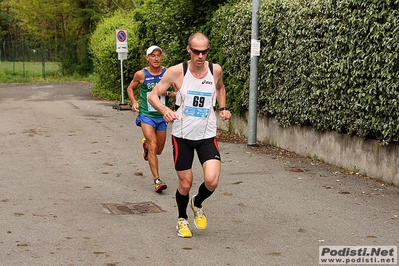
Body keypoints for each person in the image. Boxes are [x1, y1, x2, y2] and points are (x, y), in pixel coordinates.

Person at [148, 32, 231, 238]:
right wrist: (164, 110)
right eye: (196, 51)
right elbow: (152, 95)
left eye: (204, 52)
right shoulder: (177, 72)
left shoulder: (215, 70)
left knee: (212, 181)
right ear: (189, 50)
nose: (200, 56)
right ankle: (182, 218)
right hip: (182, 136)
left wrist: (223, 108)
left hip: (206, 135)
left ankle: (198, 202)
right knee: (185, 183)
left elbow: (220, 88)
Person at [127, 45, 175, 193]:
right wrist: (134, 102)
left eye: (158, 55)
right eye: (152, 55)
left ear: (161, 57)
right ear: (147, 58)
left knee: (158, 150)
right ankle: (157, 180)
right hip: (146, 115)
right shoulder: (141, 74)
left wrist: (165, 93)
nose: (156, 58)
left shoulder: (168, 73)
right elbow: (130, 88)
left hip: (161, 116)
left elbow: (176, 93)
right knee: (153, 144)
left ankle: (146, 147)